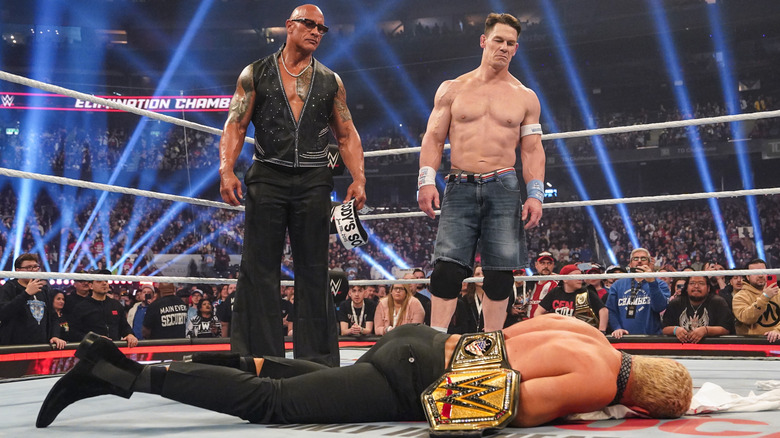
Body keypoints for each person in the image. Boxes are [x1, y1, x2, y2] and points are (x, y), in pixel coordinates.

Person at [37, 315, 693, 431]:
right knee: (274, 403)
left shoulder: (592, 336)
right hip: (417, 377)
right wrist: (575, 407)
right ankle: (115, 372)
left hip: (421, 342)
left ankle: (135, 362)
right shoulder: (599, 382)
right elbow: (512, 406)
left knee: (292, 380)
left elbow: (507, 341)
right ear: (642, 403)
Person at [218, 4, 366, 366]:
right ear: (289, 27)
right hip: (267, 174)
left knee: (315, 269)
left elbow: (346, 134)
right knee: (258, 268)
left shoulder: (331, 80)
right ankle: (258, 357)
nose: (316, 31)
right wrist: (226, 170)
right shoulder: (256, 73)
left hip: (314, 179)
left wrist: (359, 177)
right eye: (309, 24)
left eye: (322, 28)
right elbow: (236, 124)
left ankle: (316, 361)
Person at [418, 13, 545, 335]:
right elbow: (433, 137)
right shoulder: (452, 89)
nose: (503, 47)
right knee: (446, 269)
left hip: (503, 184)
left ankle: (491, 344)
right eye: (498, 40)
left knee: (500, 272)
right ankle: (435, 343)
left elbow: (531, 149)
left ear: (516, 49)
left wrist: (536, 194)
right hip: (459, 184)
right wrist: (426, 181)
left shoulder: (525, 97)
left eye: (511, 43)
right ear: (483, 41)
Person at [0, 254, 66, 349]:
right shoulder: (9, 287)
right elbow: (3, 313)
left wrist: (55, 335)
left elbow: (53, 316)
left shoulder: (43, 290)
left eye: (35, 267)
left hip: (41, 346)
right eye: (28, 267)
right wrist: (26, 294)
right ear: (18, 270)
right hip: (15, 347)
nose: (33, 270)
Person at [605, 248, 671, 338]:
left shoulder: (660, 284)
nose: (639, 261)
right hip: (624, 337)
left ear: (649, 263)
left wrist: (652, 283)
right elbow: (611, 310)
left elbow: (659, 307)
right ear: (630, 263)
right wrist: (617, 328)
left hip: (651, 338)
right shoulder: (617, 285)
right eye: (635, 259)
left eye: (643, 259)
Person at [68, 269, 138, 347]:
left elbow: (124, 326)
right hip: (91, 352)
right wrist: (93, 339)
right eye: (99, 281)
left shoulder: (116, 305)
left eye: (106, 281)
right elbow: (73, 332)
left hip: (113, 351)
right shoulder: (81, 307)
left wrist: (129, 334)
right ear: (91, 286)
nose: (104, 283)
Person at [534, 264, 608, 332]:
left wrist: (601, 331)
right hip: (557, 333)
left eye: (581, 276)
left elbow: (603, 310)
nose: (580, 279)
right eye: (576, 276)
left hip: (580, 333)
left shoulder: (587, 292)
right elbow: (538, 312)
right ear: (565, 279)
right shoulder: (555, 292)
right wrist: (545, 326)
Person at [662, 274, 734, 343]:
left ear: (708, 288)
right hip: (681, 349)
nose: (696, 286)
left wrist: (706, 330)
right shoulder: (676, 303)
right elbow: (664, 329)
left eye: (701, 283)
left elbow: (726, 329)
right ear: (686, 288)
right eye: (692, 283)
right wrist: (675, 330)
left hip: (711, 348)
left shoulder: (718, 302)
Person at [732, 258, 780, 343]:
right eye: (756, 272)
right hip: (753, 343)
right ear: (748, 276)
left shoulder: (778, 293)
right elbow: (746, 319)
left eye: (763, 272)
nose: (760, 275)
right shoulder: (740, 297)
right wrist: (765, 297)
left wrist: (778, 330)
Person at [526, 252, 558, 318]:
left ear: (553, 265)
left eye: (549, 263)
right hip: (527, 323)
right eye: (542, 263)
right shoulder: (529, 283)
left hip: (546, 324)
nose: (546, 266)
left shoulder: (557, 284)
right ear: (536, 265)